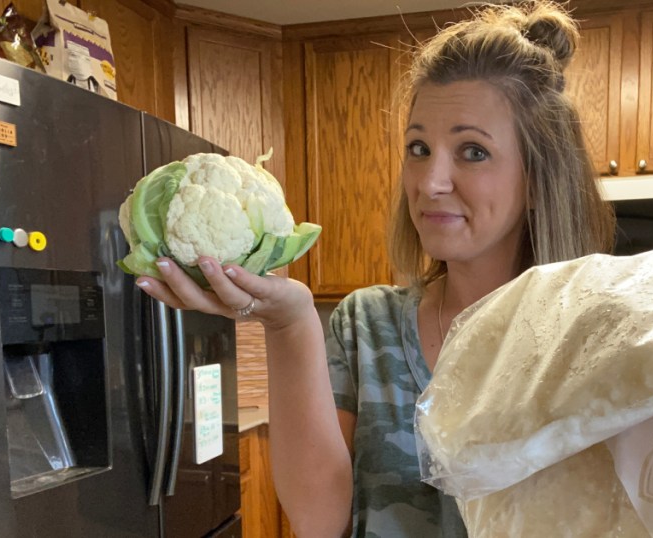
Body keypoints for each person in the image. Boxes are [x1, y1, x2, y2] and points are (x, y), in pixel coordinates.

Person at [136, 1, 615, 536]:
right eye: (418, 147)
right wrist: (288, 322)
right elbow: (318, 520)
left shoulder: (598, 338)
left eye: (472, 152)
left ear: (538, 180)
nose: (429, 180)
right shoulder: (367, 326)